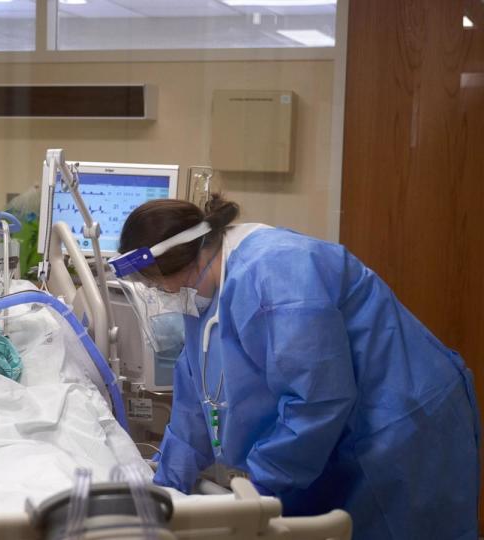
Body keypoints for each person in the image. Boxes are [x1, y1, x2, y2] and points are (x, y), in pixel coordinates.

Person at [112, 195, 480, 540]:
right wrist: (163, 486)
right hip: (338, 438)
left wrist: (258, 488)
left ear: (185, 258)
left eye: (159, 286)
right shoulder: (203, 296)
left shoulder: (276, 272)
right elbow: (195, 403)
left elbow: (317, 398)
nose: (161, 296)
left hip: (401, 428)